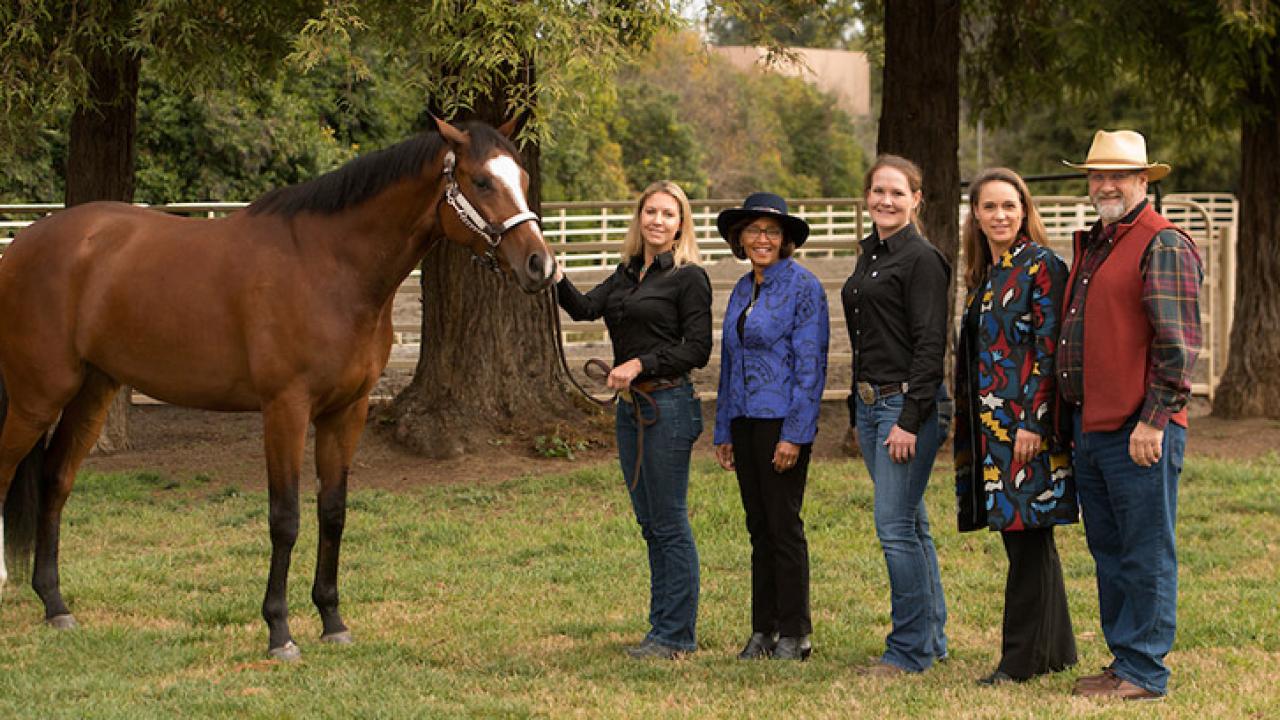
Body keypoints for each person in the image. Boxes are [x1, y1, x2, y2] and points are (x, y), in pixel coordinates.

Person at [1059, 130, 1202, 700]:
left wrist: (1154, 419)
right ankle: (1125, 661)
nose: (1106, 184)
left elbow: (1177, 343)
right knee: (1111, 551)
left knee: (1145, 551)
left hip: (1138, 428)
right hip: (1093, 426)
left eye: (1119, 175)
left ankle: (1145, 671)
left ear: (1144, 181)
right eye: (1097, 175)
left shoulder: (1161, 243)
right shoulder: (1098, 243)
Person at [555, 180, 713, 659]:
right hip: (632, 412)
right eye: (650, 212)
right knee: (649, 522)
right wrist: (555, 274)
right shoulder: (626, 274)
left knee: (668, 522)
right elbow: (583, 309)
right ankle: (660, 628)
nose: (657, 221)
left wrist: (640, 363)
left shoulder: (689, 278)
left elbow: (697, 349)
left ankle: (676, 634)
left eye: (668, 214)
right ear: (639, 218)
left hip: (668, 406)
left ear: (680, 224)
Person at [953, 168, 1078, 685]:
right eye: (989, 207)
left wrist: (1035, 423)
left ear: (1025, 210)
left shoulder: (1042, 267)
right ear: (976, 217)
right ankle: (1058, 651)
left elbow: (1050, 350)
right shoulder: (988, 274)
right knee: (1027, 538)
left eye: (1009, 206)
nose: (1000, 215)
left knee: (1027, 537)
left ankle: (1019, 661)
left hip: (1026, 430)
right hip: (990, 431)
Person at [842, 155, 950, 675]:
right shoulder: (871, 255)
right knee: (912, 524)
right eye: (878, 191)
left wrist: (909, 418)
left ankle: (908, 652)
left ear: (916, 200)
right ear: (868, 197)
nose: (886, 200)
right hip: (869, 405)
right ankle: (932, 637)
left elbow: (932, 345)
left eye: (897, 193)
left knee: (894, 528)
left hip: (905, 405)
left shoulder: (921, 259)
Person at [712, 192, 829, 661]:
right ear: (741, 239)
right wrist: (723, 428)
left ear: (785, 241)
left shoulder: (804, 288)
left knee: (784, 526)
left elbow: (811, 365)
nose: (762, 239)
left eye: (772, 231)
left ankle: (796, 632)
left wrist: (795, 435)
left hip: (781, 420)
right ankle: (763, 629)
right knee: (758, 527)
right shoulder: (743, 288)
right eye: (754, 231)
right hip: (744, 420)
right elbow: (729, 362)